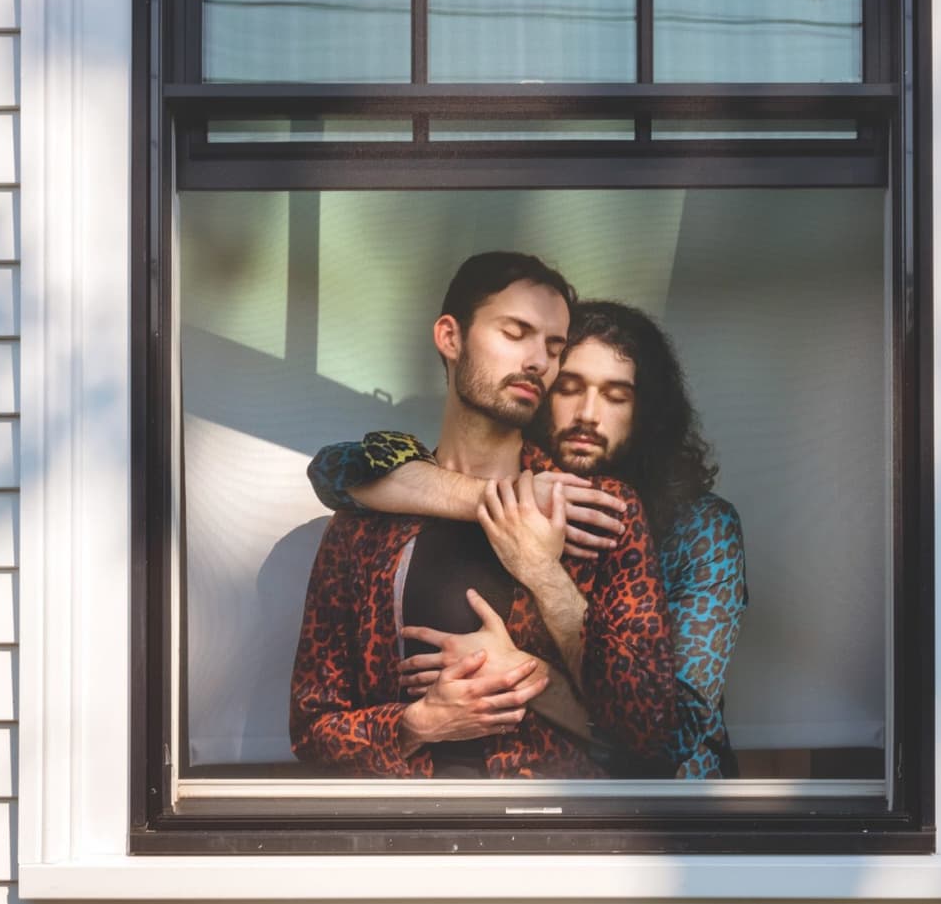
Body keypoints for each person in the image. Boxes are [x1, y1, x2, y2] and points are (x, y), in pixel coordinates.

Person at [307, 299, 747, 777]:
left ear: (646, 412)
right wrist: (487, 496)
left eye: (616, 396)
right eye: (570, 388)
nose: (588, 415)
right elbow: (333, 470)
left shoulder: (700, 529)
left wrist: (522, 667)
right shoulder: (514, 492)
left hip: (670, 816)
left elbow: (672, 736)